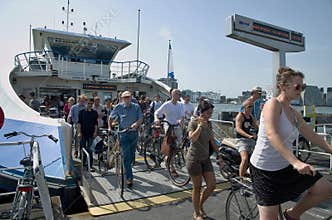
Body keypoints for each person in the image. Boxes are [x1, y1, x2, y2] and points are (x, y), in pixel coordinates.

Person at [250, 67, 332, 220]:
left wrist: (330, 149)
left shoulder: (294, 113)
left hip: (285, 166)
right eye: (297, 87)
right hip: (265, 170)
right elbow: (272, 134)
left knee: (326, 188)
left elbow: (311, 135)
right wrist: (296, 162)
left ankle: (292, 215)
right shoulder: (272, 104)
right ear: (282, 86)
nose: (301, 90)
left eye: (303, 87)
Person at [186, 99, 224, 220]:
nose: (209, 116)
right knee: (197, 187)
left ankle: (199, 205)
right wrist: (200, 127)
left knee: (212, 185)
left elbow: (212, 140)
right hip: (194, 159)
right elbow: (192, 139)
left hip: (205, 158)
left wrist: (219, 155)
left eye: (211, 114)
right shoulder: (193, 122)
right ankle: (196, 213)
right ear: (201, 112)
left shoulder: (209, 123)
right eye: (207, 113)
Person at [109, 91, 143, 187]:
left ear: (131, 97)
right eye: (125, 97)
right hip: (123, 134)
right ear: (122, 98)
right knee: (127, 157)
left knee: (132, 156)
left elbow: (140, 118)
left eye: (128, 97)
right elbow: (110, 117)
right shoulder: (118, 107)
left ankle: (128, 168)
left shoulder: (136, 107)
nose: (127, 99)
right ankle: (129, 178)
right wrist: (109, 128)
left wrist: (136, 124)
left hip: (133, 134)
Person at [154, 89, 185, 176]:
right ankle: (171, 167)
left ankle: (169, 158)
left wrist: (180, 120)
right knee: (170, 147)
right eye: (175, 94)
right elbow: (157, 112)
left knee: (178, 146)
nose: (177, 96)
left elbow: (182, 116)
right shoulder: (167, 104)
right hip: (169, 125)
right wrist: (156, 119)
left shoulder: (180, 105)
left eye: (179, 94)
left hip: (177, 126)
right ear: (171, 95)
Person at [235, 100, 258, 177]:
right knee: (245, 159)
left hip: (250, 140)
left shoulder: (251, 117)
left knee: (259, 155)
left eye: (252, 107)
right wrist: (249, 136)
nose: (251, 108)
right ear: (244, 107)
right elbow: (238, 129)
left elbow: (256, 127)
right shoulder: (240, 116)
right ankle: (241, 177)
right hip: (242, 140)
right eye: (249, 107)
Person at [77, 98, 98, 172]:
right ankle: (83, 164)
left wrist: (95, 132)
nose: (90, 105)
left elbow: (96, 124)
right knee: (83, 148)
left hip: (91, 133)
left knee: (90, 149)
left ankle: (90, 165)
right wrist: (79, 132)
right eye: (88, 103)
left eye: (91, 104)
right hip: (83, 133)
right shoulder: (81, 112)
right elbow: (79, 123)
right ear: (86, 103)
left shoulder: (95, 113)